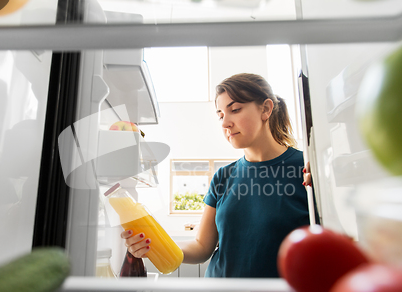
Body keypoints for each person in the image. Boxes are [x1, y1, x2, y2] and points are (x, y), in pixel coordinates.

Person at [121, 73, 312, 278]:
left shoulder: (306, 169)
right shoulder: (223, 176)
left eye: (235, 110)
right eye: (221, 115)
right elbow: (202, 247)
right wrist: (155, 246)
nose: (225, 123)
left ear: (265, 109)